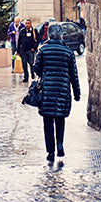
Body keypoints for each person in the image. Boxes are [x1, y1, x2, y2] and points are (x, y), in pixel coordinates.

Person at [34, 23, 81, 164]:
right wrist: (77, 93)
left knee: (47, 122)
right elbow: (74, 75)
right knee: (60, 119)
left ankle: (50, 152)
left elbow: (37, 69)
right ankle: (60, 144)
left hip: (47, 90)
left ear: (49, 35)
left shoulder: (43, 50)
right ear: (61, 35)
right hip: (62, 90)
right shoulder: (68, 52)